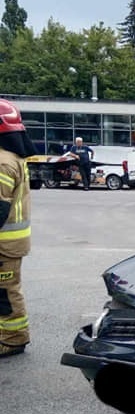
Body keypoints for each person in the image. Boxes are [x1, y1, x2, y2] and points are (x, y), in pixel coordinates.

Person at [0, 99, 36, 358]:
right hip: (11, 241)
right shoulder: (12, 157)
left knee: (5, 293)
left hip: (4, 243)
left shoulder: (2, 161)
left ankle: (13, 339)